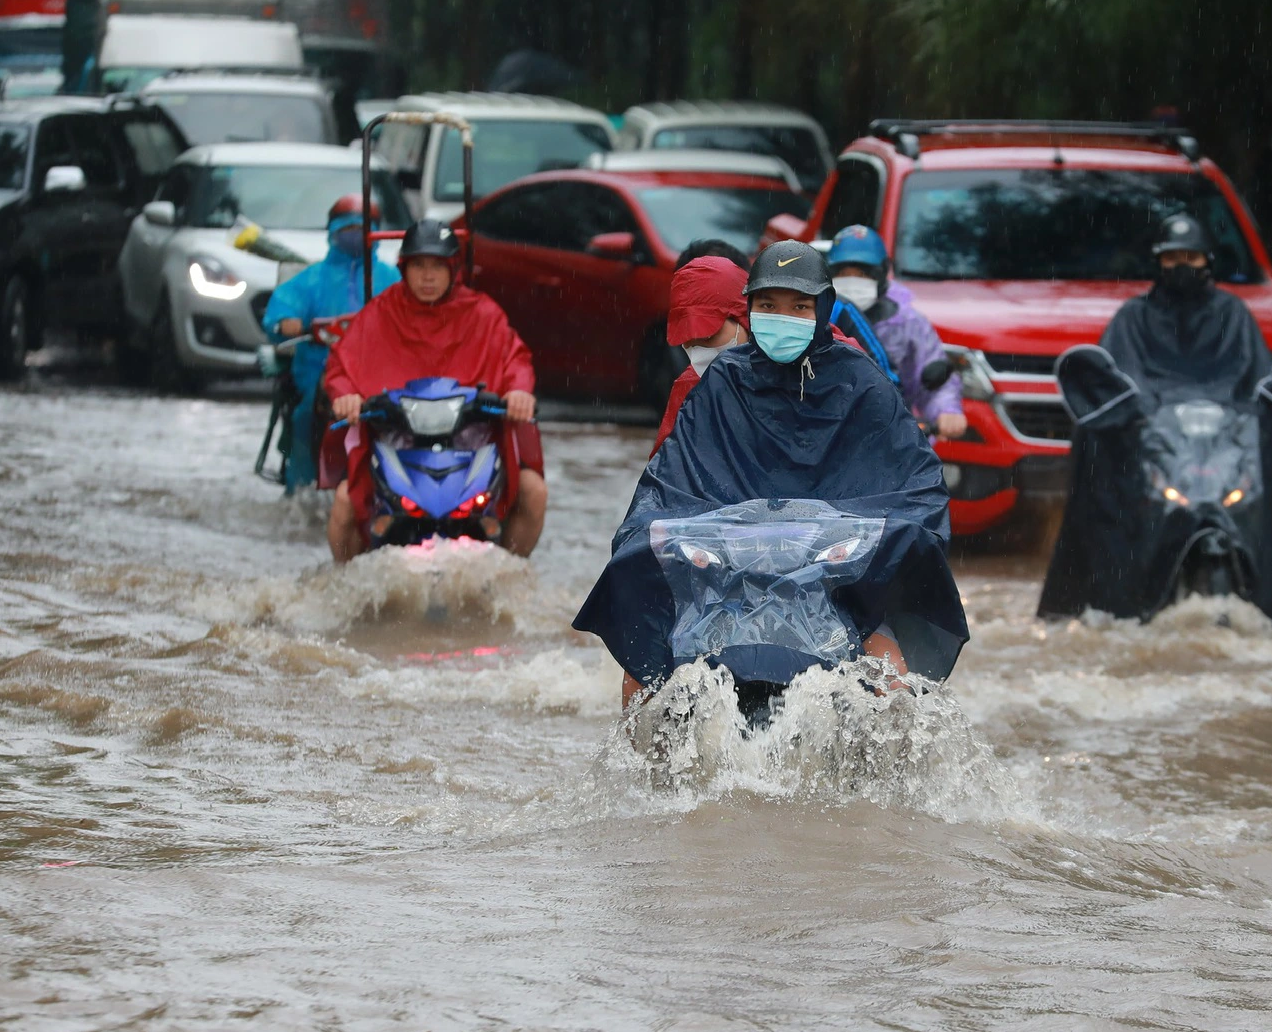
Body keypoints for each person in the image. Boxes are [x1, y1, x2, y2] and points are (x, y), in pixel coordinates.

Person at [575, 241, 968, 704]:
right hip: (725, 581)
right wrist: (652, 535)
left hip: (839, 583)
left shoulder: (861, 383)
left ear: (822, 309)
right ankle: (641, 773)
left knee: (893, 686)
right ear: (750, 308)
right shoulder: (718, 384)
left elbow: (915, 488)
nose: (783, 317)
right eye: (768, 305)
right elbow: (669, 484)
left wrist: (879, 541)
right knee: (643, 676)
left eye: (799, 306)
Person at [1038, 213, 1272, 622]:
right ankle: (1110, 595)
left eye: (1191, 257)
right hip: (1153, 453)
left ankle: (1271, 598)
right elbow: (1118, 380)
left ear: (1207, 261)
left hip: (1221, 453)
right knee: (1097, 447)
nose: (1182, 266)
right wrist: (1131, 418)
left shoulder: (1234, 316)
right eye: (1173, 257)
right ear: (1158, 261)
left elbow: (1256, 386)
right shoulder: (1132, 318)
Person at [320, 220, 548, 563]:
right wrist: (345, 395)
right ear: (404, 268)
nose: (428, 277)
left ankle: (507, 578)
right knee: (344, 503)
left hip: (470, 443)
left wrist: (519, 392)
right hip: (396, 442)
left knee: (533, 493)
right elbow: (341, 366)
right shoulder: (380, 312)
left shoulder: (482, 313)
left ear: (452, 269)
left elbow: (515, 360)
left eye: (437, 266)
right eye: (419, 266)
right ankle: (347, 585)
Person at [260, 194, 401, 491]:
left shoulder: (392, 278)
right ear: (333, 232)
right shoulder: (312, 278)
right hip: (318, 373)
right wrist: (287, 321)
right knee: (306, 417)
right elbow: (282, 308)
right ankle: (302, 485)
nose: (354, 236)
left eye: (361, 229)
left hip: (379, 373)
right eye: (347, 229)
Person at [824, 225, 969, 439]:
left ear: (882, 273)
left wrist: (947, 410)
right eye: (843, 273)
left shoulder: (908, 323)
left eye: (863, 273)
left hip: (892, 437)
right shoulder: (817, 316)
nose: (852, 281)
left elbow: (933, 376)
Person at [651, 239, 752, 454]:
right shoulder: (687, 389)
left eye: (709, 335)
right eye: (688, 336)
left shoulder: (801, 370)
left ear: (746, 317)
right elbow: (664, 471)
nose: (698, 348)